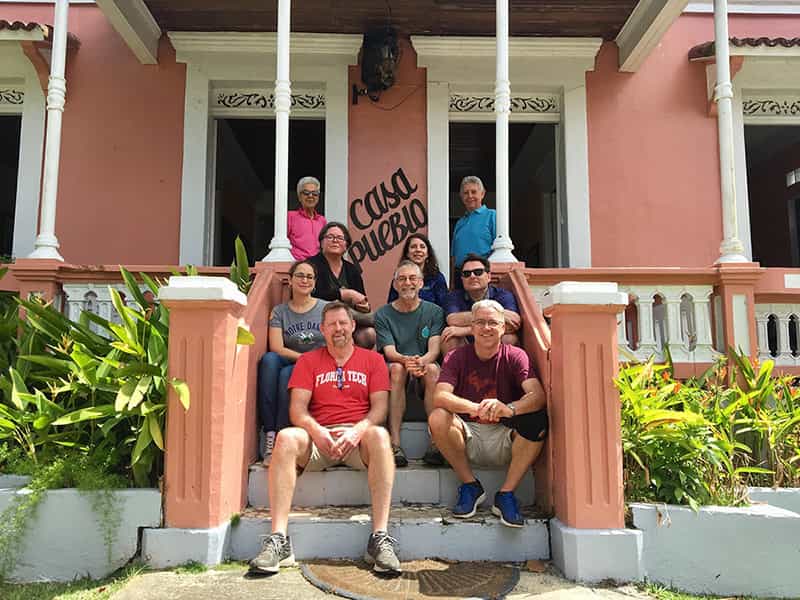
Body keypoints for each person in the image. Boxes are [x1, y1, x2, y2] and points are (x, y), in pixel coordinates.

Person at [249, 302, 401, 575]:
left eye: (343, 323)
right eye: (331, 324)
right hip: (319, 438)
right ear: (322, 329)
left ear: (353, 326)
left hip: (357, 439)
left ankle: (379, 538)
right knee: (285, 438)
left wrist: (357, 430)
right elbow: (297, 409)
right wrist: (317, 431)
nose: (338, 329)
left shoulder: (373, 360)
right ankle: (278, 539)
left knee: (379, 435)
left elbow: (380, 408)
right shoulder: (309, 361)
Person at [429, 300, 548, 528]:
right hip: (467, 434)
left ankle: (506, 494)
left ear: (503, 328)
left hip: (506, 434)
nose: (486, 328)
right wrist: (475, 408)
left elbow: (538, 395)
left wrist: (509, 408)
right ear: (471, 328)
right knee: (438, 416)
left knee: (537, 419)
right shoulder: (456, 357)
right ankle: (470, 485)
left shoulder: (516, 355)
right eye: (480, 322)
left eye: (492, 323)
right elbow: (440, 396)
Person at [257, 260, 327, 464]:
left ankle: (281, 436)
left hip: (316, 364)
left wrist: (308, 361)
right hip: (290, 358)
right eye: (300, 275)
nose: (305, 280)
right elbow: (277, 348)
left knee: (288, 375)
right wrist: (302, 358)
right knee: (269, 361)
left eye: (309, 276)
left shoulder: (325, 309)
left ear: (314, 282)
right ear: (291, 280)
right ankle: (270, 434)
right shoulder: (280, 312)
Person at [375, 260, 444, 468]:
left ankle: (436, 444)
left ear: (421, 283)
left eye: (413, 278)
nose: (407, 283)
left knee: (432, 369)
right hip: (398, 366)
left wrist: (421, 361)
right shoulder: (383, 314)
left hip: (424, 365)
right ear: (395, 284)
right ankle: (394, 445)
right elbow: (389, 352)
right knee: (396, 369)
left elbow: (434, 349)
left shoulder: (434, 311)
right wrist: (407, 361)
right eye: (402, 279)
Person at [307, 222, 376, 348]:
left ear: (346, 245)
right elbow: (311, 294)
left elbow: (361, 297)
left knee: (369, 333)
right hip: (320, 316)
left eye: (340, 238)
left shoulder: (351, 269)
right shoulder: (311, 265)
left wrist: (363, 305)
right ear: (321, 243)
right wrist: (342, 294)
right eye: (330, 237)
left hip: (348, 320)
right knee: (370, 319)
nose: (335, 241)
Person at [441, 253, 521, 355]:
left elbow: (514, 322)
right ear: (462, 279)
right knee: (448, 337)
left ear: (488, 276)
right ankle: (459, 371)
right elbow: (452, 319)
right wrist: (497, 316)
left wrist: (466, 330)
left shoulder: (502, 295)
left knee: (509, 338)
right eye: (467, 274)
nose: (472, 276)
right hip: (467, 345)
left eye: (478, 272)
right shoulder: (454, 296)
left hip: (492, 340)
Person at [451, 176, 495, 288]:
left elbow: (498, 248)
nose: (470, 196)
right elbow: (453, 257)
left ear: (482, 194)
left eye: (473, 192)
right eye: (466, 193)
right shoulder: (460, 222)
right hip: (460, 275)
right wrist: (451, 283)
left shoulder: (492, 215)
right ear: (461, 197)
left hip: (481, 274)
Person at [386, 233, 448, 308]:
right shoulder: (399, 277)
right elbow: (391, 305)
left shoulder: (437, 278)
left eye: (422, 247)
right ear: (407, 253)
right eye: (413, 247)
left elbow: (444, 307)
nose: (418, 250)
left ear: (428, 253)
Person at [287, 176, 327, 260]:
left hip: (317, 266)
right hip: (297, 265)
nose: (310, 196)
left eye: (315, 193)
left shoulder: (322, 220)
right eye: (306, 192)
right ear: (299, 196)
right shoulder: (290, 216)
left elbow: (325, 245)